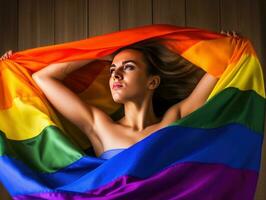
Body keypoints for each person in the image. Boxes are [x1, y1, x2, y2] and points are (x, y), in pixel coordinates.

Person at [1, 38, 220, 160]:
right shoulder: (100, 126)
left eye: (129, 67)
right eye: (113, 68)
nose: (115, 74)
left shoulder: (172, 120)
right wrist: (101, 52)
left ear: (152, 82)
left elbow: (221, 70)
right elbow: (43, 78)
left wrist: (233, 48)